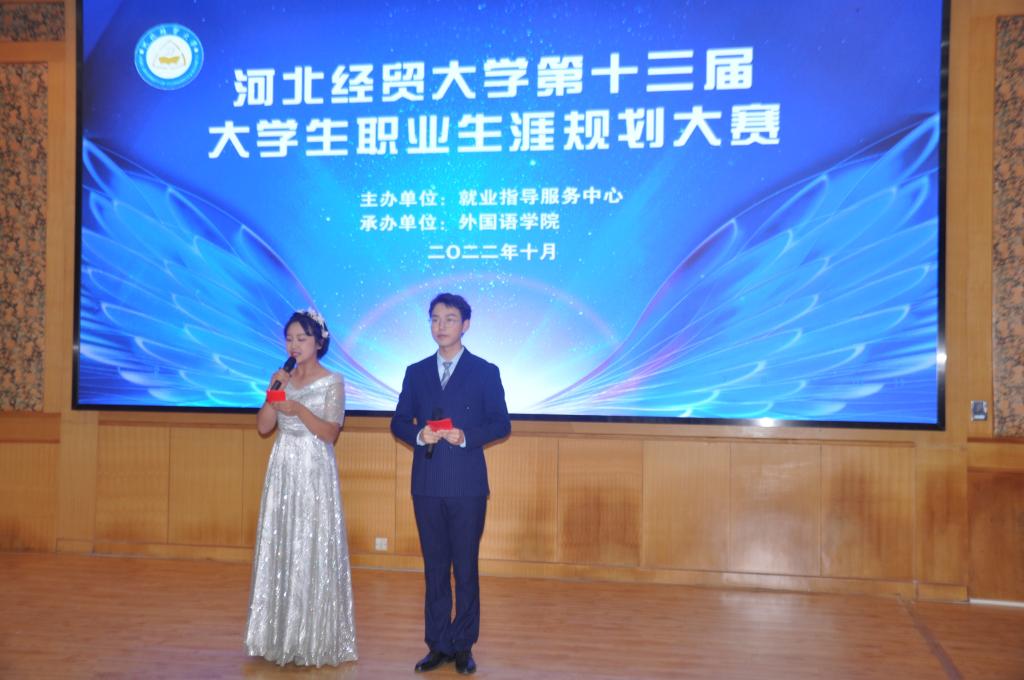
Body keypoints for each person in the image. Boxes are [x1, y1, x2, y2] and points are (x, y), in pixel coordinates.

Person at [391, 293, 511, 675]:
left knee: (466, 568)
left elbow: (501, 423)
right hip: (426, 483)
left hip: (467, 486)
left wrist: (466, 437)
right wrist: (418, 435)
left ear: (466, 325)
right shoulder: (416, 372)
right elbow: (398, 421)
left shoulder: (485, 371)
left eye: (450, 318)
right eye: (435, 319)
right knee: (435, 569)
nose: (441, 326)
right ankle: (438, 644)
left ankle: (464, 645)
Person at [245, 309, 357, 667]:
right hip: (282, 468)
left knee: (312, 545)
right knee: (282, 544)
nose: (294, 345)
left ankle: (313, 636)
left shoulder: (333, 381)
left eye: (302, 339)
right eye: (290, 339)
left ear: (319, 342)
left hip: (314, 469)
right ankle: (277, 635)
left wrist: (297, 409)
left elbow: (329, 433)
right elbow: (264, 427)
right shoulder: (283, 379)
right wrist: (273, 393)